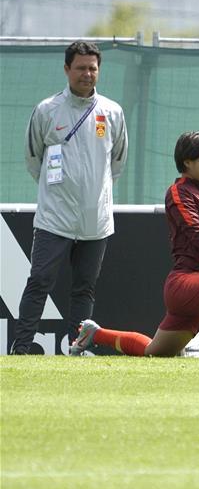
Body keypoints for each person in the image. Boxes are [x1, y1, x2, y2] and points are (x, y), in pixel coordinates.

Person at [68, 132, 199, 359]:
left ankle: (94, 334)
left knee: (154, 351)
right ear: (187, 162)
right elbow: (195, 232)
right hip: (185, 285)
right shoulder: (178, 191)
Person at [10, 41, 128, 354]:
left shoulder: (112, 112)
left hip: (95, 222)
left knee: (84, 289)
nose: (87, 74)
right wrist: (60, 193)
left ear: (99, 70)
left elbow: (117, 162)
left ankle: (77, 350)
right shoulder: (47, 110)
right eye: (80, 68)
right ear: (66, 69)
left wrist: (94, 192)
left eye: (92, 68)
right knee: (39, 282)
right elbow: (33, 159)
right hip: (54, 218)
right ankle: (21, 349)